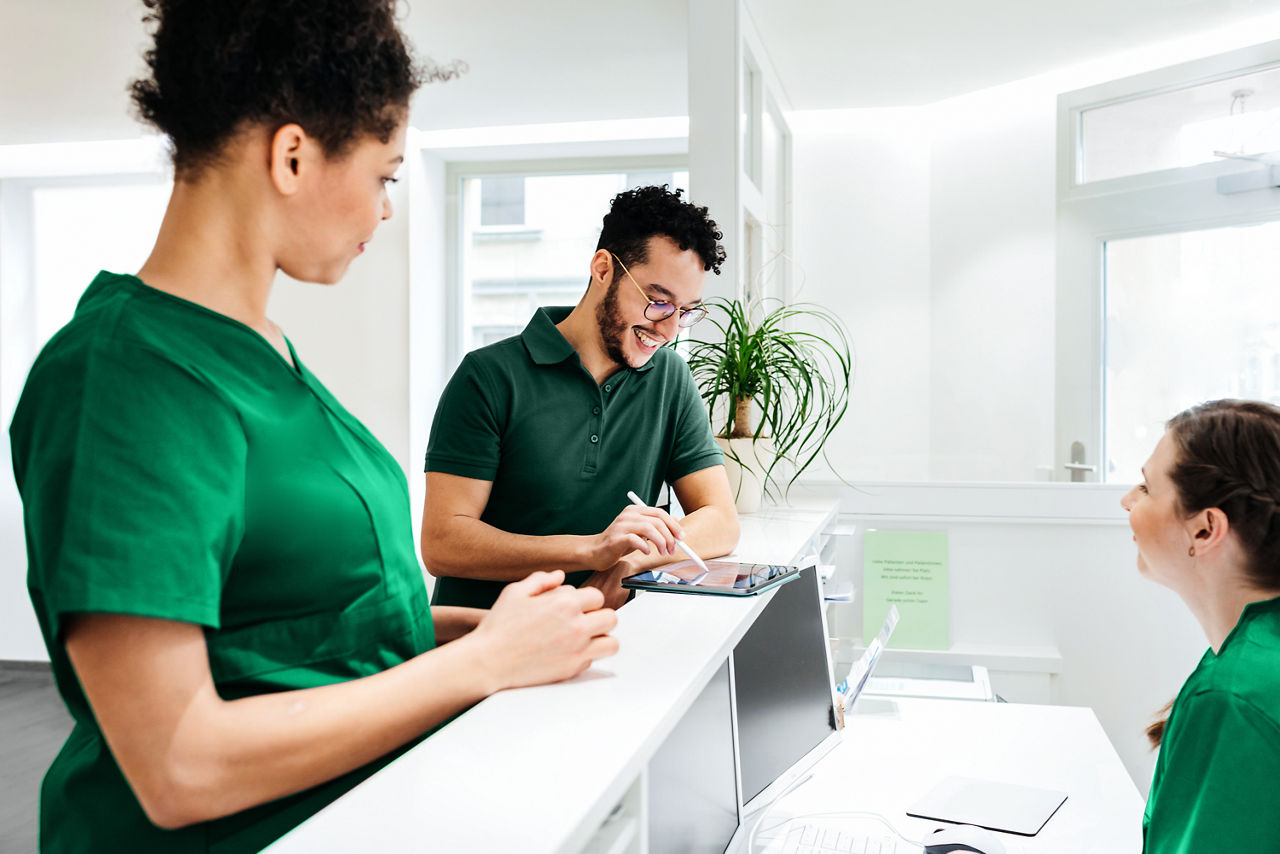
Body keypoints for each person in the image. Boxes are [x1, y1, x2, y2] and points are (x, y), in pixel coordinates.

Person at [9, 2, 617, 851]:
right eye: (385, 177)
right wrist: (480, 663)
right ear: (293, 156)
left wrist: (517, 629)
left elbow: (313, 625)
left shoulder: (267, 348)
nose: (386, 211)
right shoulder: (123, 374)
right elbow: (180, 762)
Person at [421, 185, 741, 610]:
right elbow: (443, 543)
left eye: (686, 312)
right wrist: (591, 550)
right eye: (659, 302)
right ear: (603, 268)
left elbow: (721, 521)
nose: (669, 331)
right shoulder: (488, 376)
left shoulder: (670, 379)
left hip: (600, 637)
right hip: (487, 642)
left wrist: (626, 562)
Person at [1120, 399, 1280, 853]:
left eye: (1147, 488)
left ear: (1206, 530)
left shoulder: (1235, 695)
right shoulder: (1255, 657)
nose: (1128, 501)